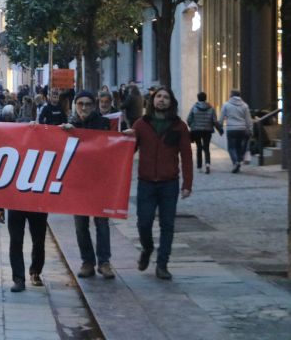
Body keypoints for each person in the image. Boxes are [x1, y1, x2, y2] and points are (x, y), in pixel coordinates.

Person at [128, 87, 192, 279]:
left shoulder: (179, 126)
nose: (162, 100)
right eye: (158, 97)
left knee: (167, 225)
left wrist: (187, 184)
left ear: (171, 102)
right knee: (143, 223)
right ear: (152, 101)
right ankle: (147, 249)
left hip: (169, 183)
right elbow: (129, 150)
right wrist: (125, 138)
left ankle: (162, 264)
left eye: (166, 97)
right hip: (146, 182)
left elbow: (187, 156)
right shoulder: (141, 124)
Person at [61, 90, 116, 279]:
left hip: (99, 182)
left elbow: (114, 148)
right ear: (75, 106)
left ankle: (104, 262)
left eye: (88, 104)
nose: (84, 107)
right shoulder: (68, 126)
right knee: (80, 225)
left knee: (102, 223)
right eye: (80, 104)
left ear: (94, 105)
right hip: (78, 183)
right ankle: (87, 262)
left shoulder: (104, 124)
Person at [187, 92, 221, 174]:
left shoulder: (194, 107)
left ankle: (199, 167)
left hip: (196, 130)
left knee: (199, 147)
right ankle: (208, 164)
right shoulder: (211, 108)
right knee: (206, 147)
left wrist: (192, 126)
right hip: (207, 130)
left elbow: (188, 119)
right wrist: (220, 129)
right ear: (205, 98)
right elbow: (214, 121)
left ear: (198, 98)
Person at [219, 90, 253, 173]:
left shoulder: (226, 105)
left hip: (231, 129)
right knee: (238, 147)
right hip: (242, 129)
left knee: (231, 147)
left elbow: (221, 118)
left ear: (231, 95)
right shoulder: (245, 105)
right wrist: (250, 129)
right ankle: (238, 160)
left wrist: (220, 126)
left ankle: (235, 162)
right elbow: (248, 119)